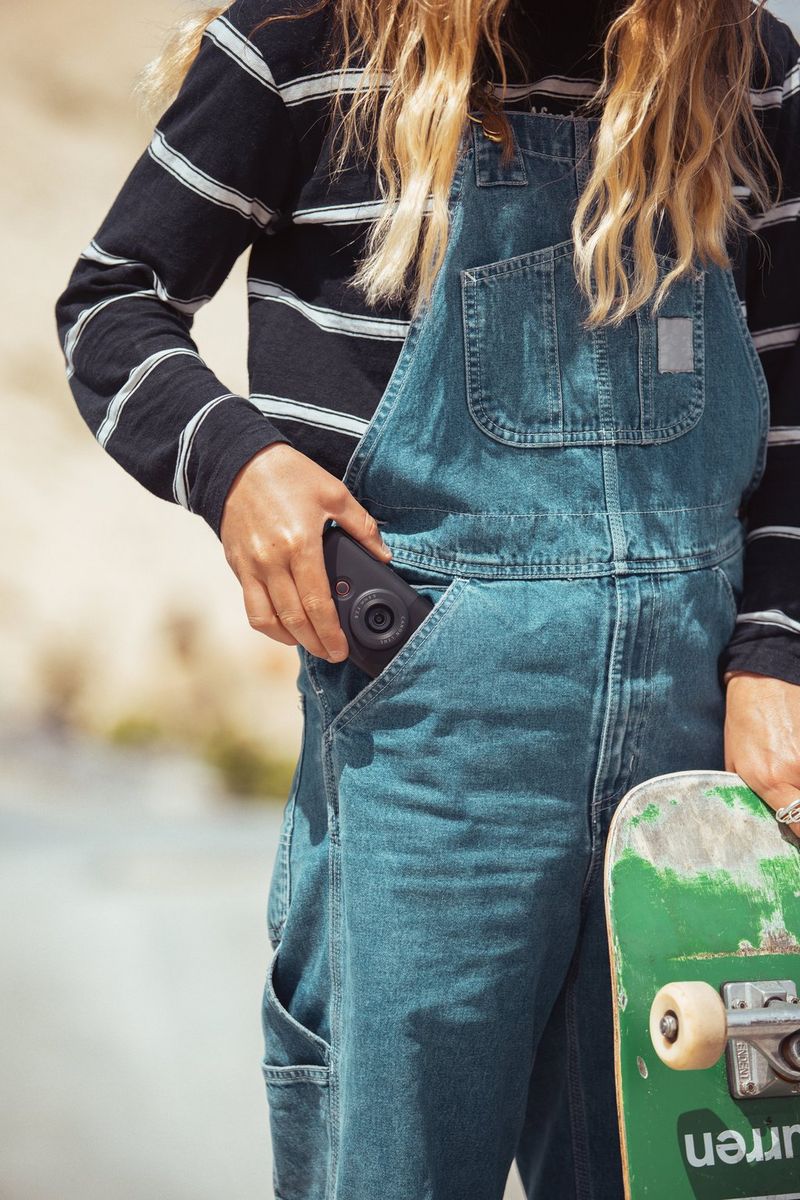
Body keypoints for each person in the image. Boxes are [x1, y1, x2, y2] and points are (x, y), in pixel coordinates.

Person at [55, 1, 800, 1196]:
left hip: (696, 774)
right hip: (426, 768)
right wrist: (233, 460)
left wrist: (775, 652)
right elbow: (112, 302)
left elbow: (790, 396)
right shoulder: (304, 42)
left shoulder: (742, 62)